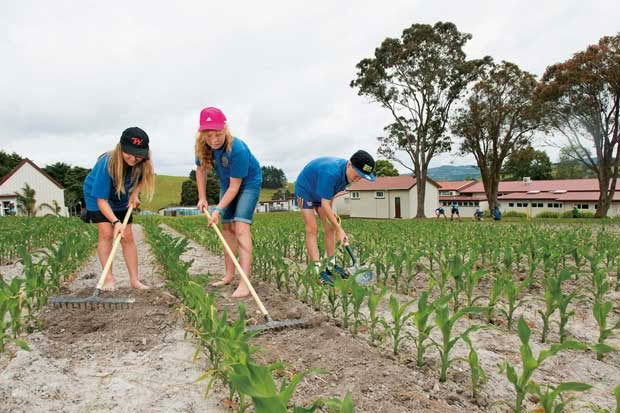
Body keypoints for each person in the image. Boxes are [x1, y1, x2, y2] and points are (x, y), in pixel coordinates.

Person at [195, 107, 262, 298]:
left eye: (218, 134)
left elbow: (236, 187)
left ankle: (245, 282)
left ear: (225, 129)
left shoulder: (237, 148)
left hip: (247, 183)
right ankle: (229, 275)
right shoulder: (202, 147)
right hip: (228, 183)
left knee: (240, 227)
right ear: (202, 134)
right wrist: (202, 197)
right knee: (226, 229)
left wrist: (217, 209)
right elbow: (200, 170)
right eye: (208, 135)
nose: (213, 139)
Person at [82, 127, 155, 291]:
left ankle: (135, 281)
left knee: (127, 236)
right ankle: (108, 279)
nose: (134, 158)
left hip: (121, 195)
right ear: (121, 147)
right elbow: (102, 200)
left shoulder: (143, 162)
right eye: (129, 153)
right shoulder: (106, 163)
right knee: (106, 234)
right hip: (97, 197)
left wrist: (135, 193)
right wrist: (115, 221)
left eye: (138, 154)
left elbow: (146, 176)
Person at [295, 150, 376, 285]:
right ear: (350, 164)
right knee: (312, 229)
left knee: (330, 228)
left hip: (322, 194)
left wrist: (334, 223)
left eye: (361, 177)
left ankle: (330, 266)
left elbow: (329, 197)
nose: (357, 179)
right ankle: (317, 271)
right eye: (357, 175)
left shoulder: (347, 177)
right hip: (306, 190)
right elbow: (324, 203)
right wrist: (340, 229)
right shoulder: (331, 173)